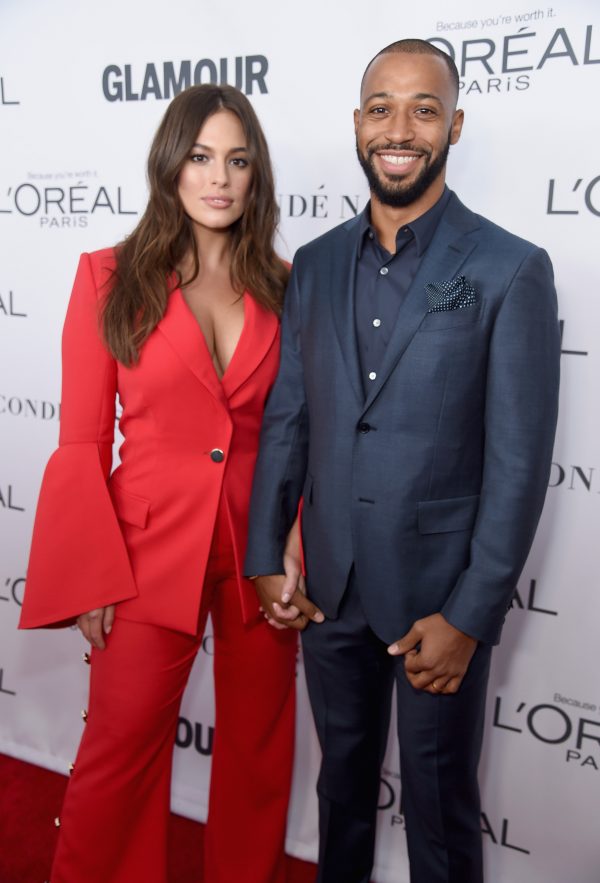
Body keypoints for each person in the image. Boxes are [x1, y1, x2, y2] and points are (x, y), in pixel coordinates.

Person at [244, 39, 560, 883]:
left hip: (439, 605)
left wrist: (468, 617)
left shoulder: (508, 269)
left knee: (440, 810)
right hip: (329, 597)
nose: (400, 127)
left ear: (453, 124)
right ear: (357, 124)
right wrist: (265, 553)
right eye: (381, 106)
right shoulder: (311, 266)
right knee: (340, 792)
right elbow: (290, 418)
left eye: (424, 109)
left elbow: (520, 464)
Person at [19, 84, 298, 883]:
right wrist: (89, 571)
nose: (219, 178)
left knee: (258, 747)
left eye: (237, 160)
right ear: (170, 164)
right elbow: (79, 441)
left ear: (257, 175)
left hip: (260, 550)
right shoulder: (109, 276)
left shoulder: (286, 282)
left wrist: (297, 545)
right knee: (119, 749)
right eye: (202, 157)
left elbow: (297, 432)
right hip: (141, 548)